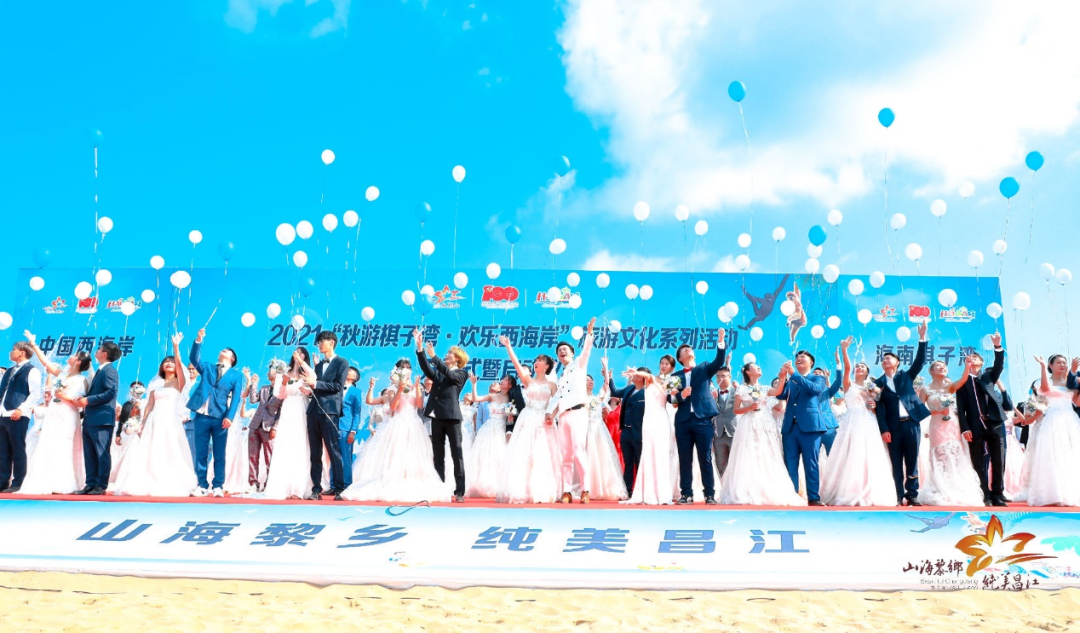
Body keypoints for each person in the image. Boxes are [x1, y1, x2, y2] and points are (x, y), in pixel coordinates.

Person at [341, 363, 450, 503]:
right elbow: (393, 406)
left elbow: (420, 405)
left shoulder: (416, 387)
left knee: (414, 454)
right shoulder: (392, 389)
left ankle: (411, 479)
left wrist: (417, 387)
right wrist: (400, 389)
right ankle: (395, 479)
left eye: (408, 370)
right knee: (398, 453)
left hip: (414, 423)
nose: (407, 373)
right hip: (399, 423)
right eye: (404, 370)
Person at [112, 334, 198, 497]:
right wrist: (142, 423)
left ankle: (169, 481)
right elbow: (149, 406)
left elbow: (180, 365)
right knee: (150, 451)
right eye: (166, 361)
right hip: (154, 420)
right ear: (161, 366)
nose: (169, 363)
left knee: (169, 449)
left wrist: (176, 347)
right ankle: (148, 481)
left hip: (169, 420)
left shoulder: (179, 382)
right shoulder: (156, 384)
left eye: (172, 362)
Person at [819, 337, 898, 506]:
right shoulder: (849, 385)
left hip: (869, 422)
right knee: (851, 453)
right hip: (852, 421)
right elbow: (847, 368)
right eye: (857, 367)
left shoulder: (873, 388)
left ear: (868, 372)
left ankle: (870, 491)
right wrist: (844, 350)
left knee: (869, 455)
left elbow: (877, 408)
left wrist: (873, 406)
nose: (859, 368)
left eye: (862, 367)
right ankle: (849, 491)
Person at [719, 362, 805, 506]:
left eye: (759, 366)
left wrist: (782, 377)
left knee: (767, 453)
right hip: (748, 424)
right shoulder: (742, 389)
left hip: (765, 423)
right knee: (749, 454)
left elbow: (778, 391)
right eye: (755, 366)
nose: (759, 367)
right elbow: (736, 410)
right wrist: (749, 407)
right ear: (748, 372)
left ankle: (768, 488)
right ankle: (747, 489)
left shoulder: (765, 388)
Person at [15, 332, 88, 495]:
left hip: (67, 415)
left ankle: (63, 483)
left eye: (74, 356)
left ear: (78, 362)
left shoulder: (81, 380)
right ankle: (48, 480)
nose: (71, 356)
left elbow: (79, 401)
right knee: (50, 445)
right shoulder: (63, 375)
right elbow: (46, 363)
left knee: (63, 446)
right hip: (54, 413)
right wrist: (33, 343)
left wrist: (63, 396)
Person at [496, 336, 560, 504]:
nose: (536, 362)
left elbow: (559, 402)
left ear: (546, 366)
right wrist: (509, 346)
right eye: (536, 360)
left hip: (543, 422)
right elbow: (516, 364)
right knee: (523, 454)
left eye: (540, 360)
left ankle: (540, 490)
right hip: (528, 418)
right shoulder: (528, 380)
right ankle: (521, 490)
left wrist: (552, 415)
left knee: (542, 455)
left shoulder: (552, 385)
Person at [873, 321, 931, 506]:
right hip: (893, 428)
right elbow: (880, 410)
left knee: (912, 460)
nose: (885, 360)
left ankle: (912, 494)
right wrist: (884, 430)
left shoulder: (905, 376)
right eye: (883, 359)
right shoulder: (877, 384)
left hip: (912, 423)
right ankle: (898, 494)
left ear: (897, 363)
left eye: (889, 358)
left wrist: (922, 337)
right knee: (896, 462)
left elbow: (920, 361)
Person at [915, 357, 983, 506]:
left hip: (952, 424)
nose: (942, 368)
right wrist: (937, 411)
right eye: (938, 366)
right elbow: (919, 409)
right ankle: (939, 487)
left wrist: (967, 366)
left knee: (954, 453)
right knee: (940, 455)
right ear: (931, 371)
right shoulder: (926, 389)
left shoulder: (949, 386)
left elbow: (963, 380)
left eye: (944, 366)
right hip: (936, 425)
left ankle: (955, 486)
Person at [670, 328, 727, 504]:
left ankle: (709, 494)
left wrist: (720, 342)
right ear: (680, 358)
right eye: (683, 349)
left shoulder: (704, 368)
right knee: (685, 459)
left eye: (689, 348)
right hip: (683, 422)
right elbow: (670, 398)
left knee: (705, 458)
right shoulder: (675, 376)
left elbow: (719, 361)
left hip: (703, 420)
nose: (687, 349)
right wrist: (681, 396)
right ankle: (686, 494)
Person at [186, 328, 244, 498]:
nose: (222, 351)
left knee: (219, 453)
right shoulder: (207, 367)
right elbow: (194, 359)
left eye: (227, 350)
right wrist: (198, 339)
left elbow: (236, 398)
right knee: (201, 452)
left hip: (220, 417)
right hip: (201, 415)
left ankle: (218, 485)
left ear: (232, 358)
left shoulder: (236, 375)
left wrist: (230, 417)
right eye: (222, 350)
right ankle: (202, 486)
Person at [412, 329, 470, 502]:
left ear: (457, 358)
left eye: (449, 354)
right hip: (436, 415)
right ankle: (439, 488)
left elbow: (450, 375)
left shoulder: (461, 373)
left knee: (456, 453)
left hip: (452, 417)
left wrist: (435, 357)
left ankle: (459, 491)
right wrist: (420, 348)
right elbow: (426, 367)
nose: (446, 355)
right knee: (438, 454)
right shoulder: (439, 372)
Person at [954, 332, 1008, 506]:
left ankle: (998, 494)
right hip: (975, 425)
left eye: (975, 357)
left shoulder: (988, 377)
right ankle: (985, 494)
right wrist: (965, 428)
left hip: (995, 423)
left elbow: (999, 365)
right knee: (978, 461)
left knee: (999, 459)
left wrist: (997, 346)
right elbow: (961, 408)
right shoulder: (962, 383)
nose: (972, 358)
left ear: (981, 363)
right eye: (969, 357)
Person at [549, 317, 597, 504]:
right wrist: (549, 413)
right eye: (559, 351)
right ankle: (567, 491)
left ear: (572, 353)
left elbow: (586, 352)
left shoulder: (579, 364)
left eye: (564, 349)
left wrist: (589, 334)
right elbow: (557, 397)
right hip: (563, 416)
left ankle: (585, 490)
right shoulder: (561, 376)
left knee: (579, 451)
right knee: (566, 455)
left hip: (578, 413)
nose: (561, 352)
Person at [1022, 355, 1080, 506]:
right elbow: (1046, 390)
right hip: (1053, 420)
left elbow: (1077, 402)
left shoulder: (1071, 382)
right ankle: (1054, 494)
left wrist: (1075, 379)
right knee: (1054, 456)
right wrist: (1042, 367)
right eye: (1059, 362)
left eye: (1064, 362)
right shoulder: (1044, 382)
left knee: (1071, 456)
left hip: (1070, 420)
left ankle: (1070, 493)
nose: (1062, 364)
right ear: (1051, 365)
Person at [776, 349, 829, 505]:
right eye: (797, 357)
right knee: (790, 463)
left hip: (811, 427)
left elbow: (815, 389)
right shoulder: (791, 380)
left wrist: (793, 374)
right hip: (790, 427)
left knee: (811, 463)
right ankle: (791, 496)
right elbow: (780, 395)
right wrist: (782, 378)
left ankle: (813, 497)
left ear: (811, 362)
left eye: (803, 357)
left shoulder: (818, 378)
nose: (799, 358)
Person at [262, 348, 315, 500]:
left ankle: (299, 488)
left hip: (303, 409)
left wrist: (302, 364)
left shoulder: (306, 373)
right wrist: (285, 383)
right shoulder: (284, 372)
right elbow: (279, 394)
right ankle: (284, 487)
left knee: (301, 445)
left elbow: (314, 380)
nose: (298, 354)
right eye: (296, 352)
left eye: (302, 352)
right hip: (288, 409)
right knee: (286, 445)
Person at [619, 365, 673, 505]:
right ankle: (643, 491)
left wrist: (677, 393)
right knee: (646, 459)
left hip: (660, 421)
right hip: (647, 423)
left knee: (658, 457)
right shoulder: (649, 386)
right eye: (661, 363)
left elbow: (674, 402)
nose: (663, 366)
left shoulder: (668, 383)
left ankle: (659, 492)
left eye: (667, 364)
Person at [74, 342, 121, 495]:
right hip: (90, 419)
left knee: (101, 453)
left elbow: (110, 392)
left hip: (102, 419)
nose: (97, 351)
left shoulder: (109, 371)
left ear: (105, 354)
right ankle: (90, 483)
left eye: (99, 349)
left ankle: (100, 485)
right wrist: (84, 398)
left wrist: (88, 400)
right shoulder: (101, 370)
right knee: (90, 454)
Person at [0, 340, 43, 494]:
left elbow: (35, 393)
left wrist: (21, 408)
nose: (11, 352)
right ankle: (2, 481)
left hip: (18, 414)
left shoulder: (32, 370)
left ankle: (18, 482)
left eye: (14, 350)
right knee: (3, 450)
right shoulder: (10, 370)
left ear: (22, 353)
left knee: (17, 449)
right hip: (3, 413)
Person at [464, 373, 512, 498]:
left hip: (500, 430)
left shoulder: (511, 399)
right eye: (502, 379)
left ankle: (499, 486)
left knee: (498, 457)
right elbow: (476, 399)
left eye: (505, 380)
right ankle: (482, 485)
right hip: (487, 429)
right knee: (484, 457)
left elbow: (510, 419)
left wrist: (509, 432)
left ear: (510, 385)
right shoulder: (491, 396)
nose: (501, 381)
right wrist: (474, 384)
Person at [582, 370, 627, 501]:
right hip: (585, 429)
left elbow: (606, 385)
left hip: (599, 430)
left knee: (602, 456)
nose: (590, 381)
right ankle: (586, 487)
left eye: (591, 379)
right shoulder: (580, 399)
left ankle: (601, 487)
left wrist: (606, 370)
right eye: (586, 380)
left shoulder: (597, 398)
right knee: (587, 457)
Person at [243, 363, 284, 493]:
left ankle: (269, 483)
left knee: (269, 457)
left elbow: (281, 412)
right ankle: (253, 483)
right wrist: (254, 384)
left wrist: (275, 427)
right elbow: (253, 400)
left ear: (278, 373)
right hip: (255, 425)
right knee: (253, 456)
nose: (268, 373)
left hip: (269, 427)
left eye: (271, 371)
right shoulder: (264, 388)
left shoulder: (282, 391)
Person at [609, 363, 646, 496]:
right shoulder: (629, 389)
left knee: (640, 462)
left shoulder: (648, 392)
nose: (632, 376)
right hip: (626, 432)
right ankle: (628, 490)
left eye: (636, 374)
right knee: (628, 463)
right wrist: (609, 378)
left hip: (639, 433)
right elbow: (615, 392)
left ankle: (642, 491)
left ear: (641, 377)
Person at [331, 366, 363, 489]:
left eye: (350, 371)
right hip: (333, 425)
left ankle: (346, 484)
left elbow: (357, 413)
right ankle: (333, 485)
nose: (347, 371)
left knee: (346, 457)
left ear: (354, 377)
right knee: (333, 457)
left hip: (346, 428)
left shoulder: (356, 391)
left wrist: (353, 431)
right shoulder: (336, 387)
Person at [711, 366, 737, 477]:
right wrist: (713, 399)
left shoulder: (737, 391)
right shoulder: (712, 394)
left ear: (729, 377)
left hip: (734, 432)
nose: (720, 378)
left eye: (723, 376)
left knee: (736, 463)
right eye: (717, 376)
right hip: (718, 434)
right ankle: (722, 485)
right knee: (720, 464)